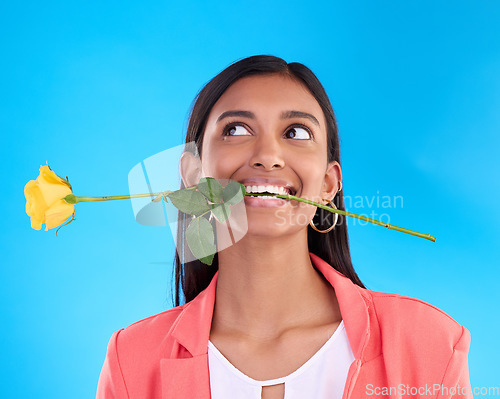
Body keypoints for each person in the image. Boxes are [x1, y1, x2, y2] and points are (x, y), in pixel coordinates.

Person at [96, 55, 472, 399]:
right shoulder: (131, 360)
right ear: (193, 174)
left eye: (296, 133)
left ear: (328, 184)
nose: (267, 157)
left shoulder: (431, 345)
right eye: (237, 129)